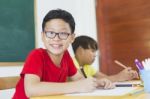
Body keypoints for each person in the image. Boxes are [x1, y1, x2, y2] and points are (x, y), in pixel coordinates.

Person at [13, 9, 114, 99]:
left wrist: (96, 83)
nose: (56, 39)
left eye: (63, 33)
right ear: (43, 36)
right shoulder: (36, 55)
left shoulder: (66, 56)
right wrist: (77, 86)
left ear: (72, 38)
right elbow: (31, 89)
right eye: (50, 33)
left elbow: (79, 79)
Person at [72, 35, 139, 82]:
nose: (95, 55)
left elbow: (105, 78)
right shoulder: (72, 63)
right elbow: (83, 82)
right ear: (80, 51)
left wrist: (123, 77)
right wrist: (118, 77)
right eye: (92, 51)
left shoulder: (87, 66)